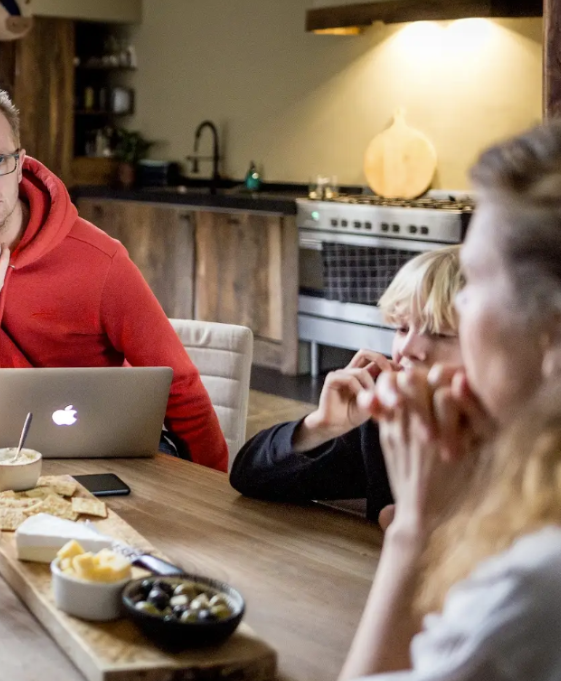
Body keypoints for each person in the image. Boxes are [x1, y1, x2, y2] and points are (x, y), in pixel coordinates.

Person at [0, 85, 229, 470]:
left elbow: (180, 389)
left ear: (19, 162)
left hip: (91, 451)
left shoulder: (101, 259)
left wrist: (224, 500)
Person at [339, 121, 561, 680]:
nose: (460, 307)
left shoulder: (535, 590)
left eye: (477, 277)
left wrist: (417, 526)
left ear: (552, 333)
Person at [230, 245, 463, 523]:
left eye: (439, 333)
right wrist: (322, 426)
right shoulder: (384, 417)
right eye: (401, 328)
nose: (407, 348)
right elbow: (249, 477)